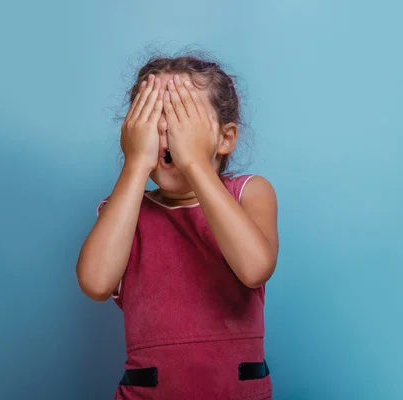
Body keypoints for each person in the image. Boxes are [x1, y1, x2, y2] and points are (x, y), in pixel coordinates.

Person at [76, 54, 279, 400]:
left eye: (183, 117)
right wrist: (136, 163)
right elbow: (95, 284)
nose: (167, 132)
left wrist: (196, 163)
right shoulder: (125, 212)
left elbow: (255, 268)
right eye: (153, 118)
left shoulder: (249, 193)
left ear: (226, 138)